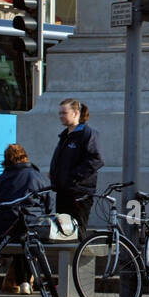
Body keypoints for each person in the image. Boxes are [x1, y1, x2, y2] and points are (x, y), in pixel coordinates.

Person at [0, 144, 48, 295]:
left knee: (19, 238)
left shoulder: (2, 178)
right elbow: (48, 200)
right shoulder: (36, 175)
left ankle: (23, 281)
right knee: (26, 238)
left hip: (5, 229)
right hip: (32, 225)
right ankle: (25, 281)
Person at [50, 98, 102, 230]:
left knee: (77, 230)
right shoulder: (65, 136)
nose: (61, 116)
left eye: (64, 113)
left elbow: (96, 160)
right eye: (60, 113)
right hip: (63, 192)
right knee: (63, 231)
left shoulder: (87, 134)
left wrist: (73, 177)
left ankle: (80, 250)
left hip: (78, 193)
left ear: (76, 113)